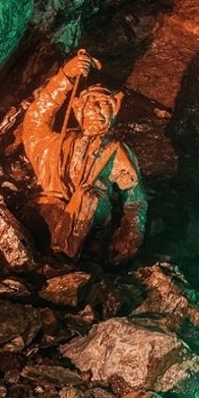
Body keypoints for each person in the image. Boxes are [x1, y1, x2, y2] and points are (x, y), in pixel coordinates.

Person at [21, 49, 147, 263]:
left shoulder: (115, 150)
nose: (99, 110)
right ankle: (36, 258)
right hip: (51, 209)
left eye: (106, 105)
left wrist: (131, 232)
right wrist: (66, 77)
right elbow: (36, 117)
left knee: (89, 196)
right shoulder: (54, 143)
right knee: (45, 206)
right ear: (79, 110)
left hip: (92, 216)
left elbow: (135, 199)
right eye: (93, 104)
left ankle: (63, 260)